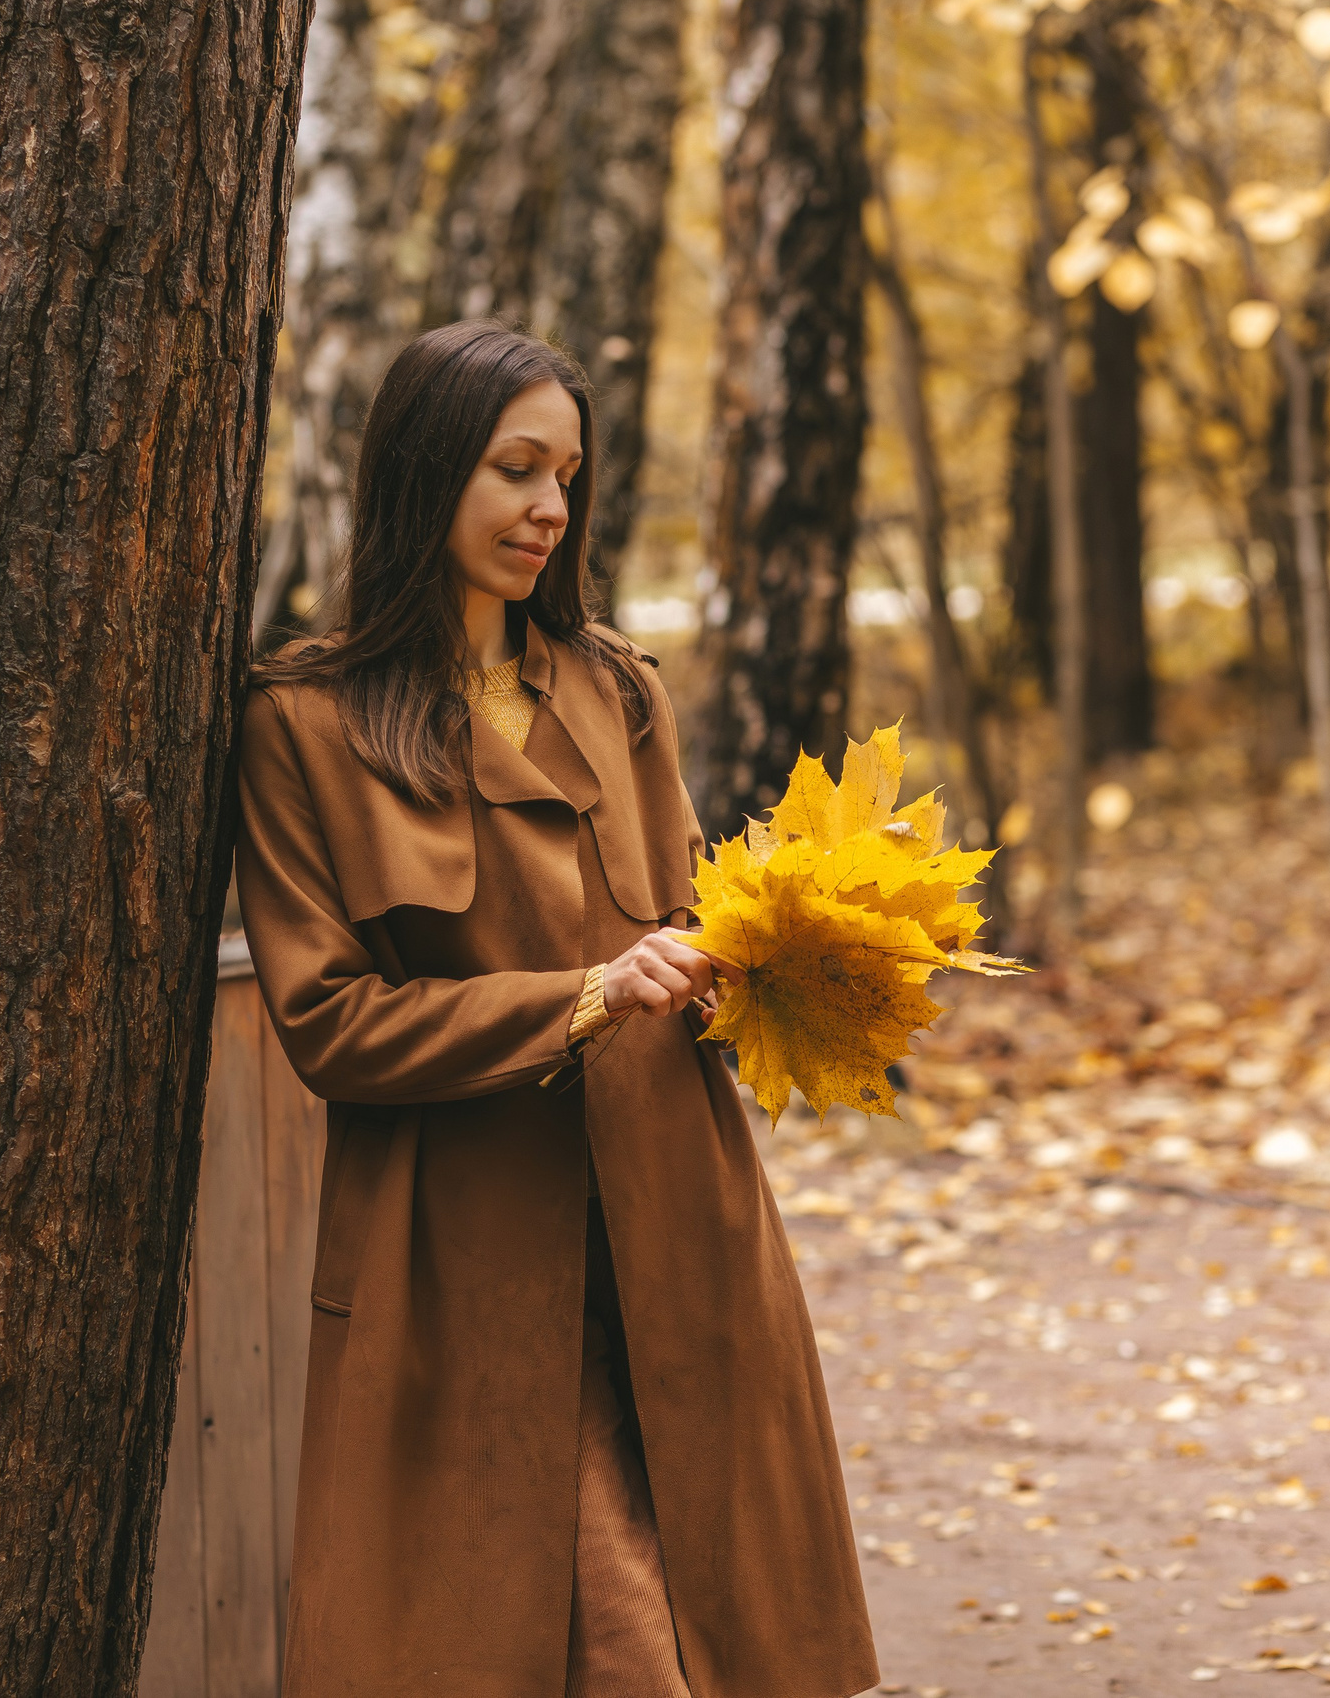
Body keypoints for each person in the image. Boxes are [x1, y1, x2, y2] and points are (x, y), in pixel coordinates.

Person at [235, 317, 878, 1698]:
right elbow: (330, 1025)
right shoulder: (304, 722)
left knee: (728, 1627)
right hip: (461, 1260)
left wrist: (812, 956)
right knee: (593, 1641)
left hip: (679, 1232)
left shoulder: (615, 687)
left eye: (567, 475)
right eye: (514, 468)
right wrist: (582, 998)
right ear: (424, 474)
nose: (548, 508)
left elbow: (696, 931)